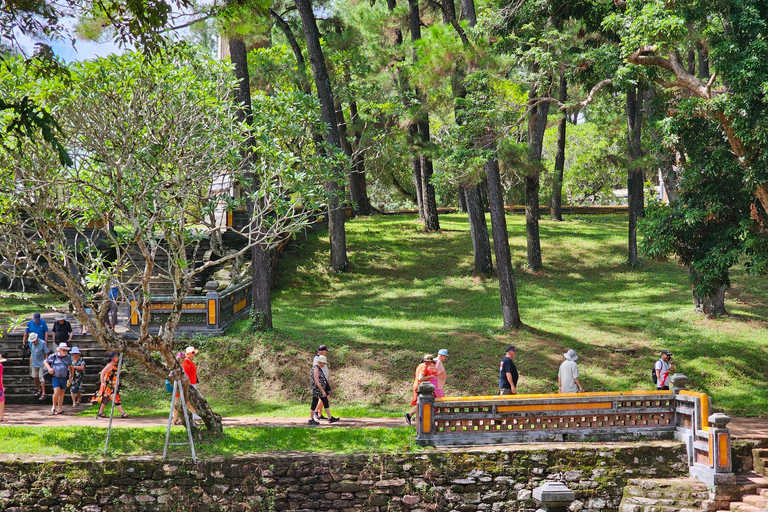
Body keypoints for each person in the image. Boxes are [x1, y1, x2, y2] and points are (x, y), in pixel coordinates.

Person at [92, 352, 130, 418]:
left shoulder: (114, 365)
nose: (117, 358)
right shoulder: (110, 365)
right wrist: (103, 382)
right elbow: (102, 373)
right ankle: (122, 413)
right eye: (116, 357)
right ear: (112, 358)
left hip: (112, 384)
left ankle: (100, 413)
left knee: (106, 399)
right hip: (109, 385)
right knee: (116, 397)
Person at [405, 354, 437, 425]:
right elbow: (420, 378)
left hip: (418, 385)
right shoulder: (424, 366)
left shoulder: (420, 365)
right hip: (421, 387)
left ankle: (416, 418)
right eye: (431, 361)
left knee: (421, 403)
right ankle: (410, 415)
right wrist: (431, 376)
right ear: (428, 361)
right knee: (423, 402)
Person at [44, 342, 74, 415]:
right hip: (55, 377)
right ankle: (53, 407)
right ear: (59, 350)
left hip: (64, 377)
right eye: (63, 350)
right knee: (56, 391)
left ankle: (60, 408)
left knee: (62, 393)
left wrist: (71, 376)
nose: (65, 352)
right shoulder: (53, 356)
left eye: (66, 350)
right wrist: (49, 369)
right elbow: (45, 361)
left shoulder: (68, 357)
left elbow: (71, 367)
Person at [308, 355, 339, 425]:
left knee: (324, 402)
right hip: (318, 390)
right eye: (324, 363)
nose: (324, 364)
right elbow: (316, 381)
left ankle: (330, 417)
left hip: (319, 389)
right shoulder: (316, 369)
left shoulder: (318, 368)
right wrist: (322, 390)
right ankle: (311, 419)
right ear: (320, 362)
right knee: (316, 403)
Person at [26, 333, 50, 401]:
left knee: (41, 378)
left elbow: (47, 353)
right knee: (34, 376)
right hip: (34, 363)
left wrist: (46, 363)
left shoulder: (42, 343)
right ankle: (39, 389)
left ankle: (44, 393)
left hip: (42, 363)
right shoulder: (32, 344)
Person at [312, 345, 330, 421]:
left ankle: (319, 413)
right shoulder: (317, 359)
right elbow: (317, 370)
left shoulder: (320, 358)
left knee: (322, 397)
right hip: (321, 382)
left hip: (324, 381)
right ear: (323, 351)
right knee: (326, 396)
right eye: (325, 351)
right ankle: (316, 411)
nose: (326, 352)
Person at [0, 353, 6, 422]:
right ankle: (1, 416)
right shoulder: (0, 366)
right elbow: (0, 377)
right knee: (1, 401)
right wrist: (2, 386)